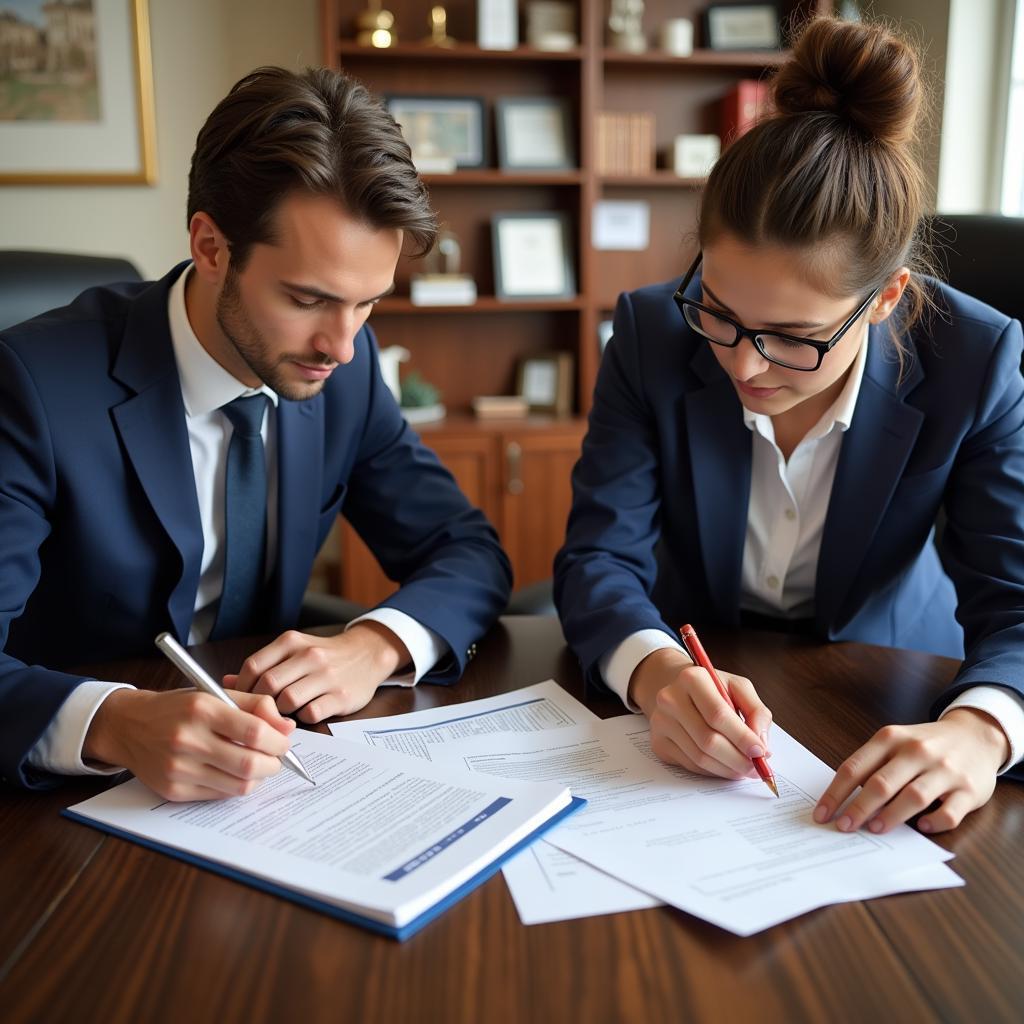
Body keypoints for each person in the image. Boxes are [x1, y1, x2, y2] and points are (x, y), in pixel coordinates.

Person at [555, 17, 1024, 835]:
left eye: (796, 340)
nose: (744, 366)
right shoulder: (650, 332)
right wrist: (657, 672)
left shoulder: (974, 359)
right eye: (721, 313)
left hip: (886, 690)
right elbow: (599, 556)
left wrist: (980, 730)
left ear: (883, 301)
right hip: (698, 671)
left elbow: (1017, 601)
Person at [0, 67, 512, 800]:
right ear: (211, 247)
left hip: (263, 783)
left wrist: (375, 646)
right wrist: (116, 721)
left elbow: (466, 550)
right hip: (68, 801)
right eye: (308, 299)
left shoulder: (348, 365)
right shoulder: (32, 384)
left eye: (367, 303)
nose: (340, 343)